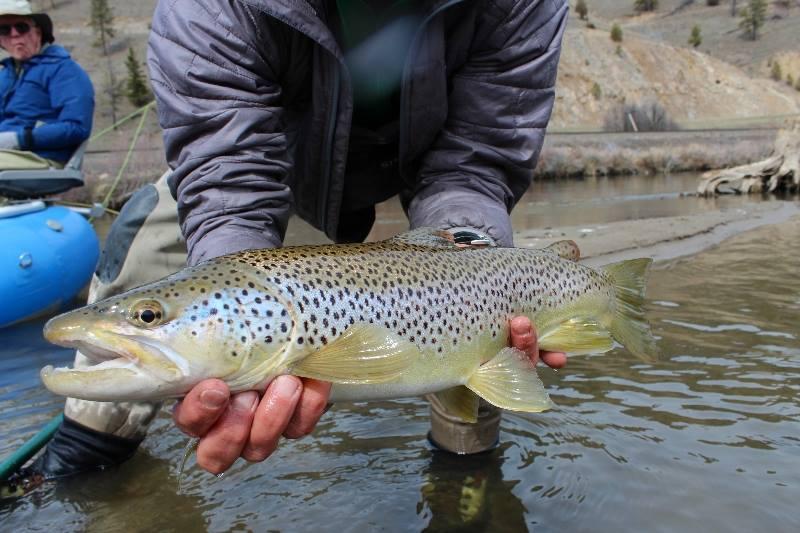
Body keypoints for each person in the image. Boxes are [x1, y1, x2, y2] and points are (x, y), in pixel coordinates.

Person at [20, 0, 569, 480]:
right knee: (152, 232)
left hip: (437, 164)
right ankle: (88, 451)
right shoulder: (211, 7)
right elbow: (227, 177)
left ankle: (464, 474)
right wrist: (226, 309)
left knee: (482, 306)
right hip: (275, 164)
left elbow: (475, 162)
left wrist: (468, 248)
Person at [0, 0, 93, 171]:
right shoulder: (4, 76)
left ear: (38, 32)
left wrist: (18, 139)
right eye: (4, 29)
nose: (14, 34)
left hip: (44, 159)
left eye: (21, 27)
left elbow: (77, 127)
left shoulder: (64, 70)